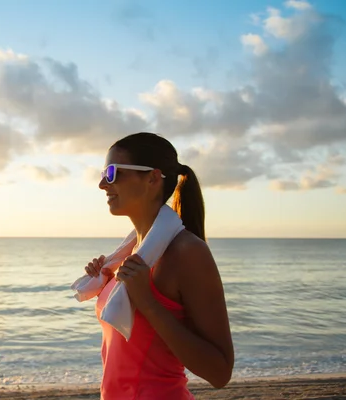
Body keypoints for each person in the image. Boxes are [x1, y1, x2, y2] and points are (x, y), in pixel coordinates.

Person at [84, 132, 234, 399]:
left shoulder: (187, 252)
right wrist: (106, 283)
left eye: (112, 172)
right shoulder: (128, 256)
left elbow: (220, 372)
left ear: (152, 178)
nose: (102, 184)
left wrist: (149, 303)